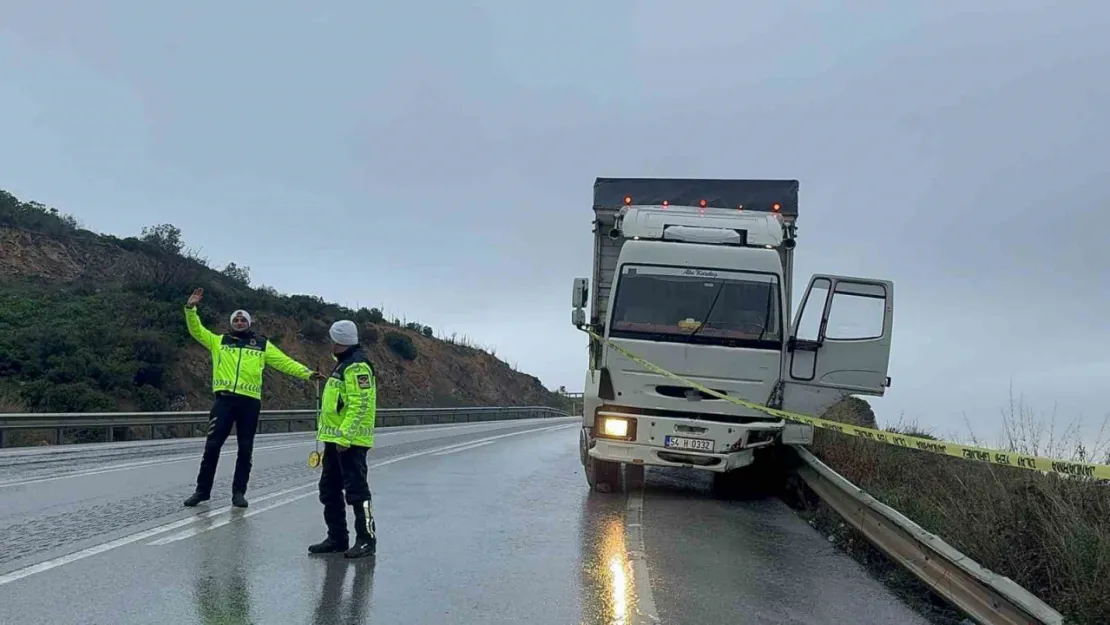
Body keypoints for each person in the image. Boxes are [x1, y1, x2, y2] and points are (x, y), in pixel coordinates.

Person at [182, 287, 319, 508]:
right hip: (224, 402)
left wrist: (308, 374)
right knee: (212, 447)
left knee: (245, 449)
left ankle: (239, 493)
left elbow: (284, 362)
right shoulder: (219, 341)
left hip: (249, 403)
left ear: (248, 323)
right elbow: (196, 330)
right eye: (235, 319)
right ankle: (202, 491)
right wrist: (190, 308)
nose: (238, 322)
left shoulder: (261, 344)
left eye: (242, 319)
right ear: (230, 323)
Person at [308, 319, 377, 559]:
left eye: (332, 338)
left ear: (339, 341)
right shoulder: (342, 364)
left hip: (350, 442)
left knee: (357, 492)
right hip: (335, 439)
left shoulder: (356, 366)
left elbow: (360, 404)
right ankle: (337, 538)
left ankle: (367, 539)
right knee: (329, 490)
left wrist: (346, 436)